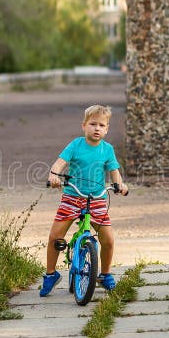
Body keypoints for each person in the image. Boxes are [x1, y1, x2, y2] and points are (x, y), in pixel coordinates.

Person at [40, 104, 128, 297]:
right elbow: (60, 163)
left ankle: (104, 274)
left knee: (108, 240)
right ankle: (50, 274)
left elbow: (114, 171)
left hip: (96, 199)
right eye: (93, 124)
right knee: (55, 236)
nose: (97, 128)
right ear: (84, 126)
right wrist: (54, 175)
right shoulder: (76, 145)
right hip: (72, 196)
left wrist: (120, 184)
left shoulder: (107, 149)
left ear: (107, 129)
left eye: (102, 125)